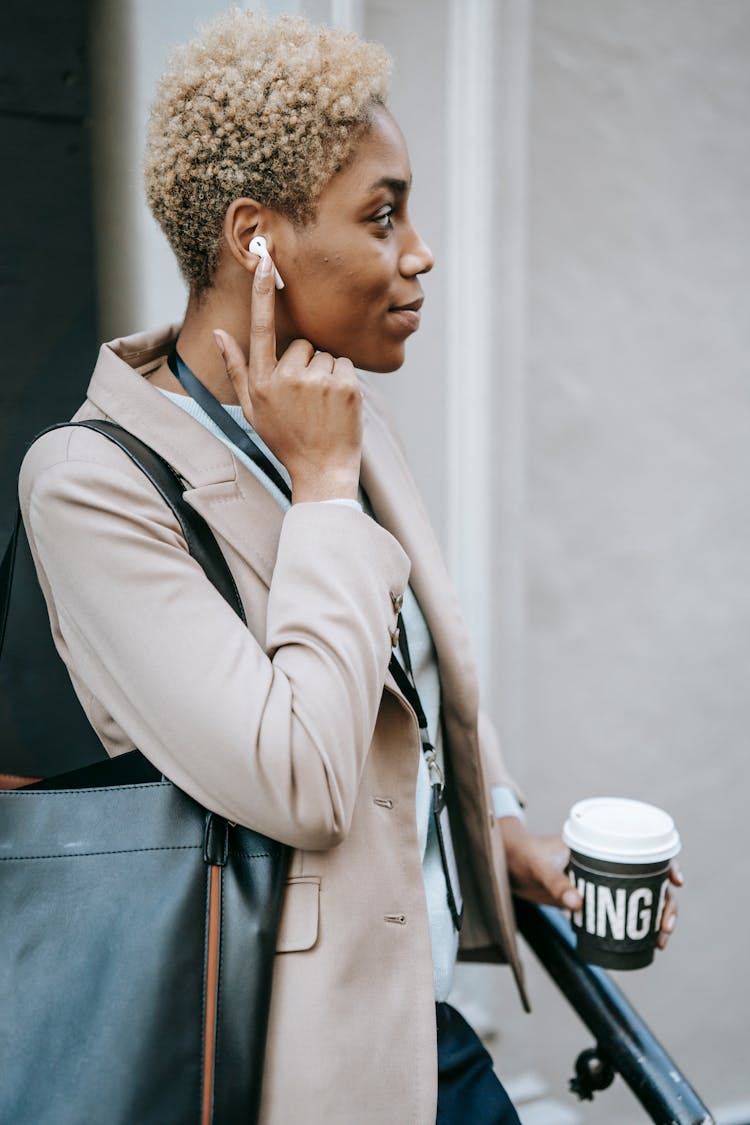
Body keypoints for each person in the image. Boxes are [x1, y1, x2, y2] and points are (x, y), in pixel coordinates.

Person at [18, 11, 680, 1124]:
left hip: (422, 1029)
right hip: (272, 1064)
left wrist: (500, 829)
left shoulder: (339, 415)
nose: (418, 253)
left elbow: (407, 682)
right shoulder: (92, 482)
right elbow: (300, 783)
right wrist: (322, 492)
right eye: (383, 216)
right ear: (255, 238)